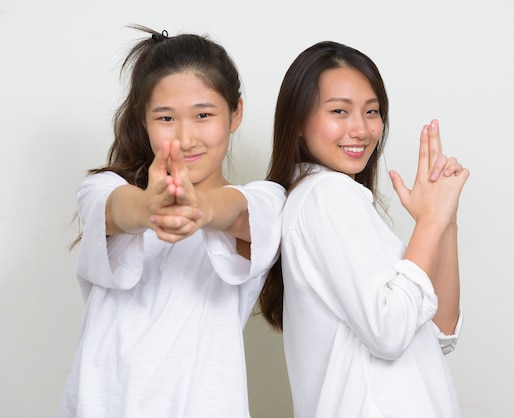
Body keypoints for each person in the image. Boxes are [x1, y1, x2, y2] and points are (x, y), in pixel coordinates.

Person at [58, 25, 284, 418]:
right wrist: (151, 208)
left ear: (236, 113)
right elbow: (118, 209)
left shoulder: (266, 201)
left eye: (203, 115)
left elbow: (236, 211)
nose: (185, 137)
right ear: (143, 120)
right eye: (166, 118)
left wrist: (198, 208)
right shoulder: (101, 189)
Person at [259, 41, 469, 417]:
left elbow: (441, 332)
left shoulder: (332, 199)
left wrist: (443, 220)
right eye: (339, 111)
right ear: (299, 122)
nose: (360, 129)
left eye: (372, 112)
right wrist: (429, 222)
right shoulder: (326, 193)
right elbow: (389, 333)